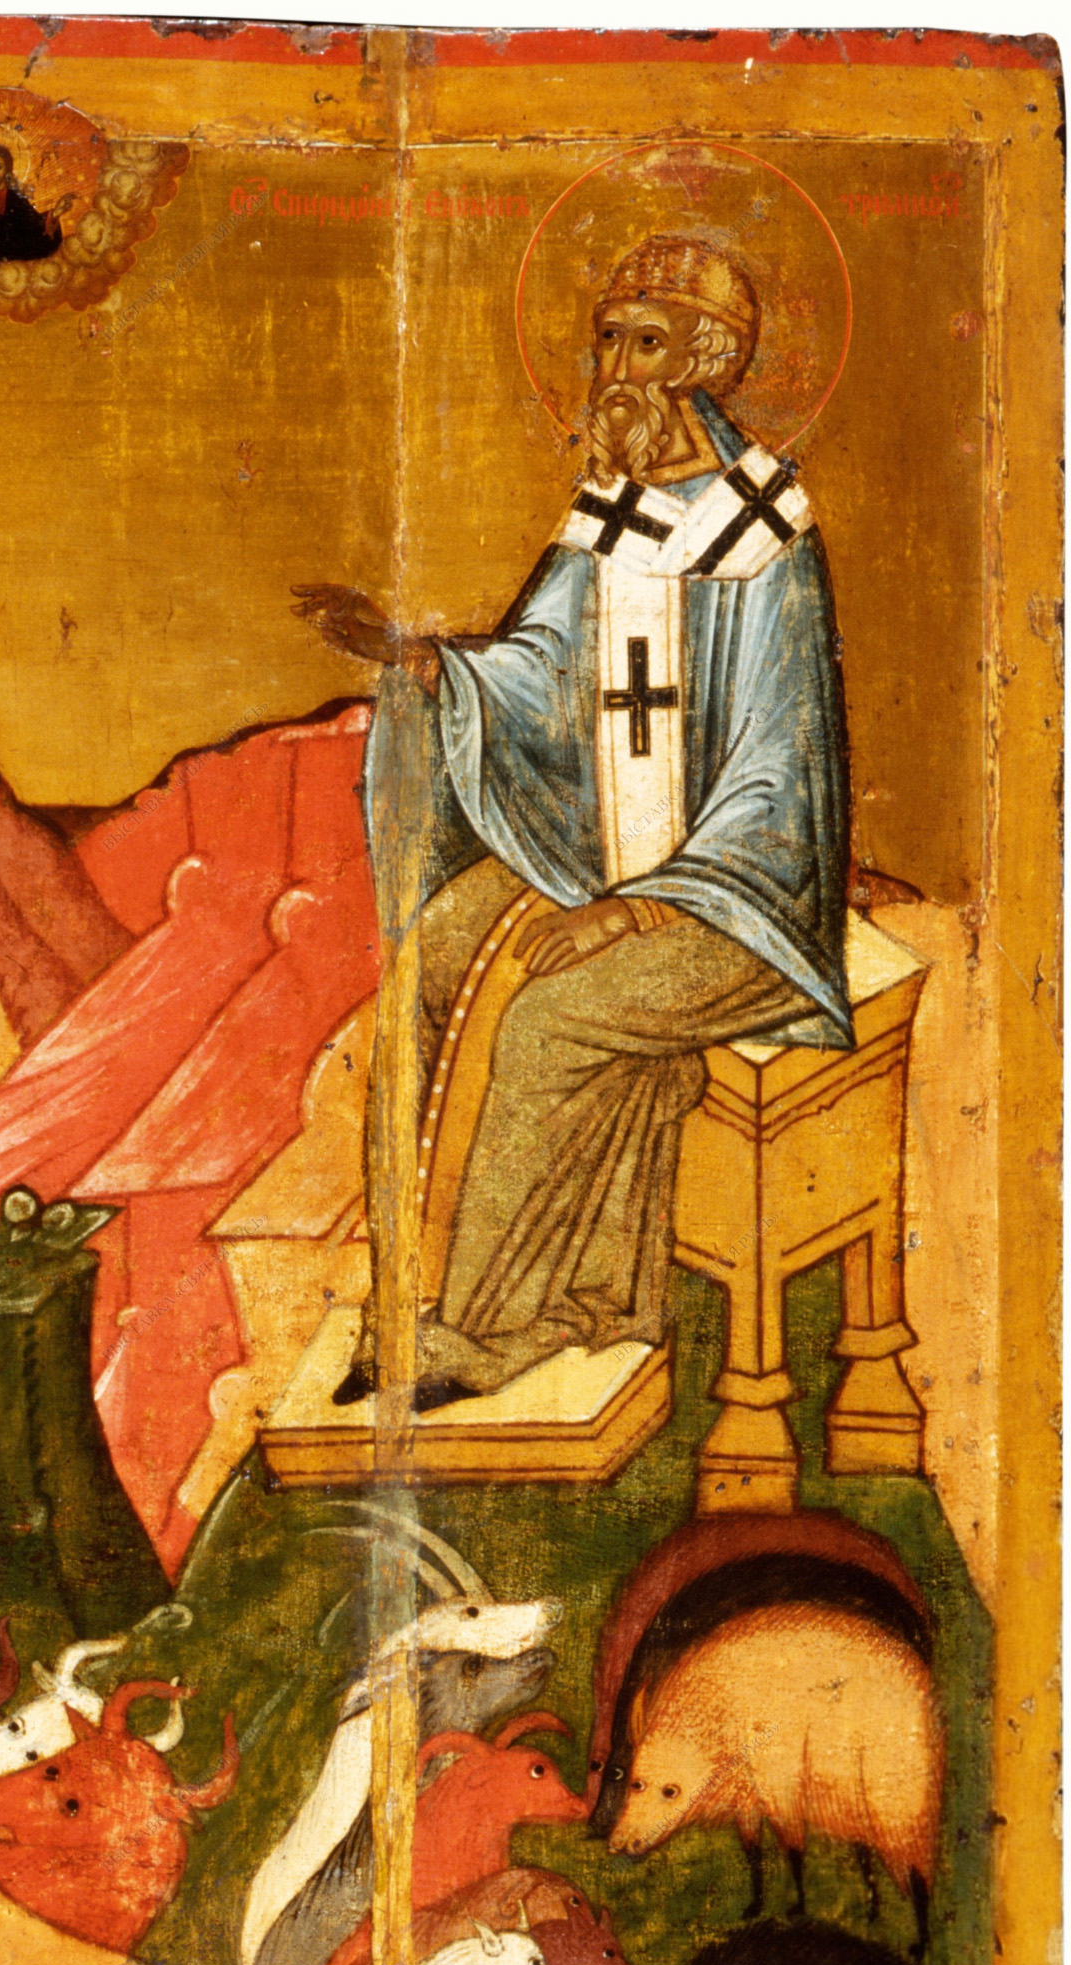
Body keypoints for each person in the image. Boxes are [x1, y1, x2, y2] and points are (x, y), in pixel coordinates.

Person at [297, 234, 851, 1409]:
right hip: (596, 853)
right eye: (607, 342)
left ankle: (494, 1329)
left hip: (736, 899)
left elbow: (776, 775)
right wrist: (427, 662)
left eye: (646, 343)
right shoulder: (610, 509)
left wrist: (636, 909)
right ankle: (408, 1301)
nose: (616, 370)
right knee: (428, 966)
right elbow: (540, 670)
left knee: (549, 1018)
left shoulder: (767, 534)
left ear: (705, 360)